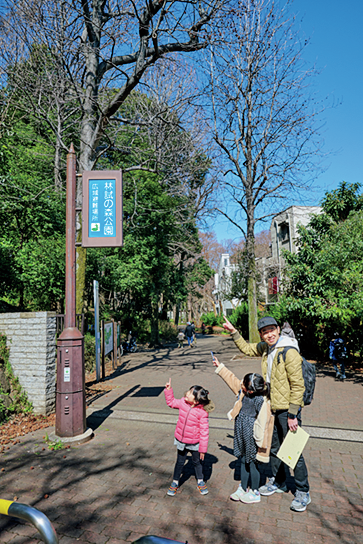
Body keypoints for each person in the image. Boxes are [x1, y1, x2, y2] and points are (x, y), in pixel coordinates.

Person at [223, 315, 311, 512]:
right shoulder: (266, 348)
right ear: (261, 334)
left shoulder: (289, 352)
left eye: (272, 330)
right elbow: (246, 348)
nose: (269, 334)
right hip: (272, 406)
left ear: (278, 329)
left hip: (288, 410)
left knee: (293, 452)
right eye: (264, 332)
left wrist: (293, 414)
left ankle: (303, 492)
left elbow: (298, 385)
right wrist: (234, 332)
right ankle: (278, 482)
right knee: (274, 449)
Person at [213, 356, 274, 504]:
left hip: (252, 435)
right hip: (241, 432)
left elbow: (266, 423)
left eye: (244, 385)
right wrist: (220, 366)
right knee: (242, 460)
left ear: (251, 390)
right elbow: (232, 379)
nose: (241, 385)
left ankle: (255, 491)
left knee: (252, 463)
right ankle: (243, 487)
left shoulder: (261, 401)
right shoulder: (243, 393)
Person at [164, 379, 214, 496]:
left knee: (197, 462)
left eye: (191, 392)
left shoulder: (202, 413)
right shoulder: (182, 402)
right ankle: (175, 482)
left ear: (196, 401)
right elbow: (171, 402)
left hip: (195, 442)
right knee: (180, 462)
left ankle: (200, 481)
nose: (187, 393)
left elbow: (204, 432)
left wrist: (202, 449)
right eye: (189, 391)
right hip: (182, 440)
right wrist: (168, 390)